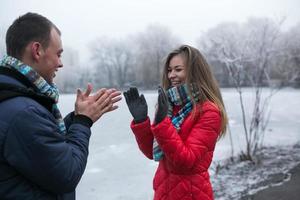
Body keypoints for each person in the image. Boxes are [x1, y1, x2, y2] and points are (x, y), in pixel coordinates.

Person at [0, 12, 122, 199]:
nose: (61, 63)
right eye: (58, 54)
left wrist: (76, 117)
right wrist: (83, 122)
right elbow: (67, 173)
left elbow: (44, 143)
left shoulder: (16, 97)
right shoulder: (22, 113)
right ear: (37, 50)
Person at [124, 44, 228, 200]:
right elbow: (153, 152)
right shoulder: (171, 106)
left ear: (195, 72)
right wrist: (141, 122)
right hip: (164, 192)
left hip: (191, 194)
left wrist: (162, 123)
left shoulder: (208, 111)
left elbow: (186, 161)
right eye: (169, 70)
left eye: (178, 69)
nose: (171, 75)